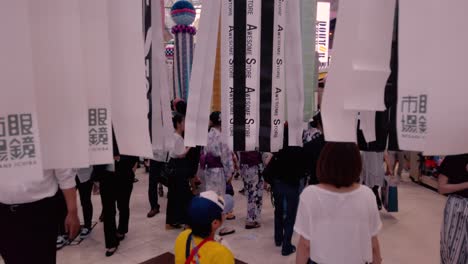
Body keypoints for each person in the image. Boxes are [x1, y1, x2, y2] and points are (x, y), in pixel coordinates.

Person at [295, 142, 383, 264]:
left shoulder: (310, 195)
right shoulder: (367, 195)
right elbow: (373, 244)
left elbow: (304, 245)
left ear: (324, 162)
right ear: (356, 164)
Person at [0, 169, 80, 264]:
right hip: (4, 213)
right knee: (11, 259)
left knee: (42, 259)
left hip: (40, 212)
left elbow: (65, 176)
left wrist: (72, 212)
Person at [97, 130, 139, 257]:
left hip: (124, 175)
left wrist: (120, 157)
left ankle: (122, 229)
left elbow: (134, 156)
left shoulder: (126, 131)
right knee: (109, 210)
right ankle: (111, 243)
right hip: (106, 176)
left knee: (123, 205)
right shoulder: (100, 130)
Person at [269, 124, 307, 256]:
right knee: (290, 216)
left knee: (278, 212)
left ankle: (278, 239)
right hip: (292, 185)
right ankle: (286, 246)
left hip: (278, 184)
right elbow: (303, 170)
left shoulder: (278, 148)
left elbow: (271, 167)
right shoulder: (299, 149)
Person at [174, 191, 235, 264]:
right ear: (215, 223)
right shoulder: (222, 253)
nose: (225, 215)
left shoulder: (182, 236)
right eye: (223, 213)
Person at [437, 154, 468, 263]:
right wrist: (466, 185)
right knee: (452, 250)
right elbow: (441, 187)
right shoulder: (455, 156)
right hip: (456, 208)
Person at [166, 113, 194, 229]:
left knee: (174, 194)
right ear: (178, 123)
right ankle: (184, 220)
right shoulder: (177, 138)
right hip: (178, 168)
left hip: (174, 167)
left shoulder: (175, 136)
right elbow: (181, 155)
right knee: (183, 194)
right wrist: (190, 147)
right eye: (183, 122)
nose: (185, 125)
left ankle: (174, 220)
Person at [239, 151, 264, 230]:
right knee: (255, 194)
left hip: (244, 165)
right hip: (255, 165)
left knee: (250, 193)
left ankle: (252, 217)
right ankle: (251, 219)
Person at [303, 111, 325, 185]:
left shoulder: (311, 145)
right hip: (338, 188)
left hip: (316, 184)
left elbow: (306, 167)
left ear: (319, 124)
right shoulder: (345, 145)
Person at [147, 149, 169, 218]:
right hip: (154, 157)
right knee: (152, 184)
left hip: (168, 156)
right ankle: (154, 207)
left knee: (170, 181)